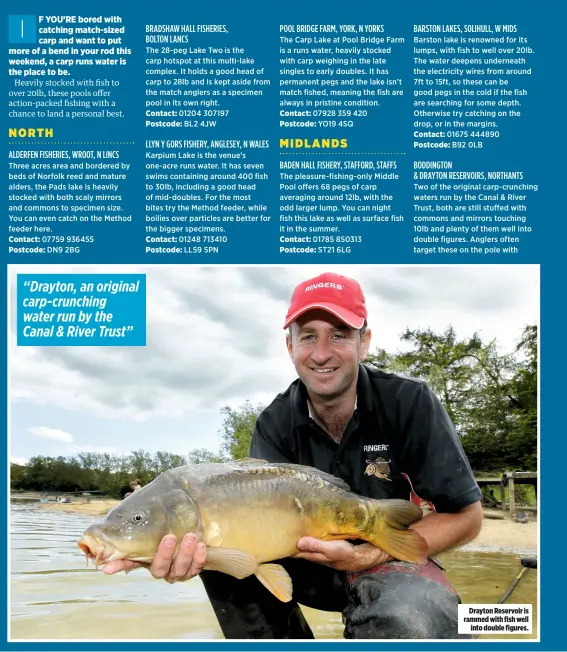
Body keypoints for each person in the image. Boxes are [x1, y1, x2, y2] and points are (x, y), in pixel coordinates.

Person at [104, 272, 483, 639]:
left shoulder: (409, 401)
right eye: (307, 337)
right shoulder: (273, 421)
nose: (321, 354)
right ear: (290, 346)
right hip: (307, 565)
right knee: (217, 564)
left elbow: (467, 518)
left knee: (412, 618)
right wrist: (163, 549)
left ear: (364, 342)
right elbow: (244, 529)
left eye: (338, 335)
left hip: (388, 556)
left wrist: (366, 555)